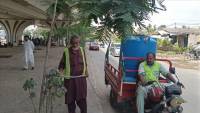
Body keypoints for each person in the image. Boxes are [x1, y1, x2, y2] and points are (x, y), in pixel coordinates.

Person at [58, 35, 88, 113]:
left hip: (81, 80)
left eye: (77, 43)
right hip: (69, 81)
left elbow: (85, 62)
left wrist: (86, 71)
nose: (75, 45)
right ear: (70, 43)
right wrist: (59, 74)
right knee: (70, 101)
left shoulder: (82, 50)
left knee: (82, 100)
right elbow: (62, 64)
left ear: (79, 42)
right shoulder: (66, 51)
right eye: (73, 43)